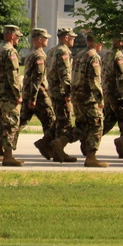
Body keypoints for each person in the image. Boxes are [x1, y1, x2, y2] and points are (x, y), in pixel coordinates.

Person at [0, 24, 25, 166]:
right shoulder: (10, 52)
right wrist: (18, 94)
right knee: (11, 123)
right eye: (17, 36)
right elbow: (13, 75)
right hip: (7, 93)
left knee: (4, 122)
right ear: (11, 35)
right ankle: (8, 156)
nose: (18, 39)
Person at [18, 28, 57, 160]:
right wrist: (34, 97)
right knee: (50, 120)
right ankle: (48, 145)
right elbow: (37, 78)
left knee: (21, 120)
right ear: (39, 39)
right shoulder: (39, 55)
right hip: (39, 93)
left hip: (28, 92)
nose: (47, 41)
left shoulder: (31, 54)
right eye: (45, 38)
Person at [71, 32, 108, 168]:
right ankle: (91, 157)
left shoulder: (79, 55)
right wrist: (100, 99)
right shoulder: (94, 57)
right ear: (96, 42)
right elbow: (94, 81)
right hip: (88, 97)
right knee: (96, 124)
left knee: (82, 125)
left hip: (77, 95)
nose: (102, 45)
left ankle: (61, 142)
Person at [101, 37, 123, 164]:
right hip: (118, 95)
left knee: (108, 121)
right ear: (121, 42)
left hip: (108, 94)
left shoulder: (107, 55)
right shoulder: (119, 57)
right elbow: (122, 79)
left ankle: (88, 139)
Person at [49, 27, 81, 163]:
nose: (74, 40)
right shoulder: (64, 51)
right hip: (61, 92)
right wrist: (68, 92)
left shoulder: (52, 51)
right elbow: (65, 74)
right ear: (66, 38)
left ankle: (57, 151)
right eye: (72, 37)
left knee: (59, 121)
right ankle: (59, 150)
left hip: (54, 90)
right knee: (64, 122)